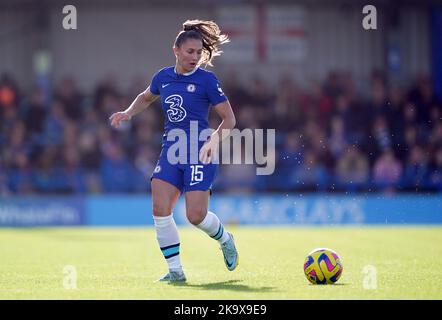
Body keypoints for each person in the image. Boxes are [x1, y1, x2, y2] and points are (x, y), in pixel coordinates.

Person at [109, 20, 238, 282]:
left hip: (200, 151)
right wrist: (128, 112)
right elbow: (146, 97)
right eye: (190, 52)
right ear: (176, 50)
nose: (195, 57)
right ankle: (175, 271)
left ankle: (225, 238)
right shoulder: (163, 77)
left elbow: (230, 119)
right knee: (159, 207)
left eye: (199, 52)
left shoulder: (207, 80)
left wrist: (214, 139)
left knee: (195, 216)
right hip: (172, 150)